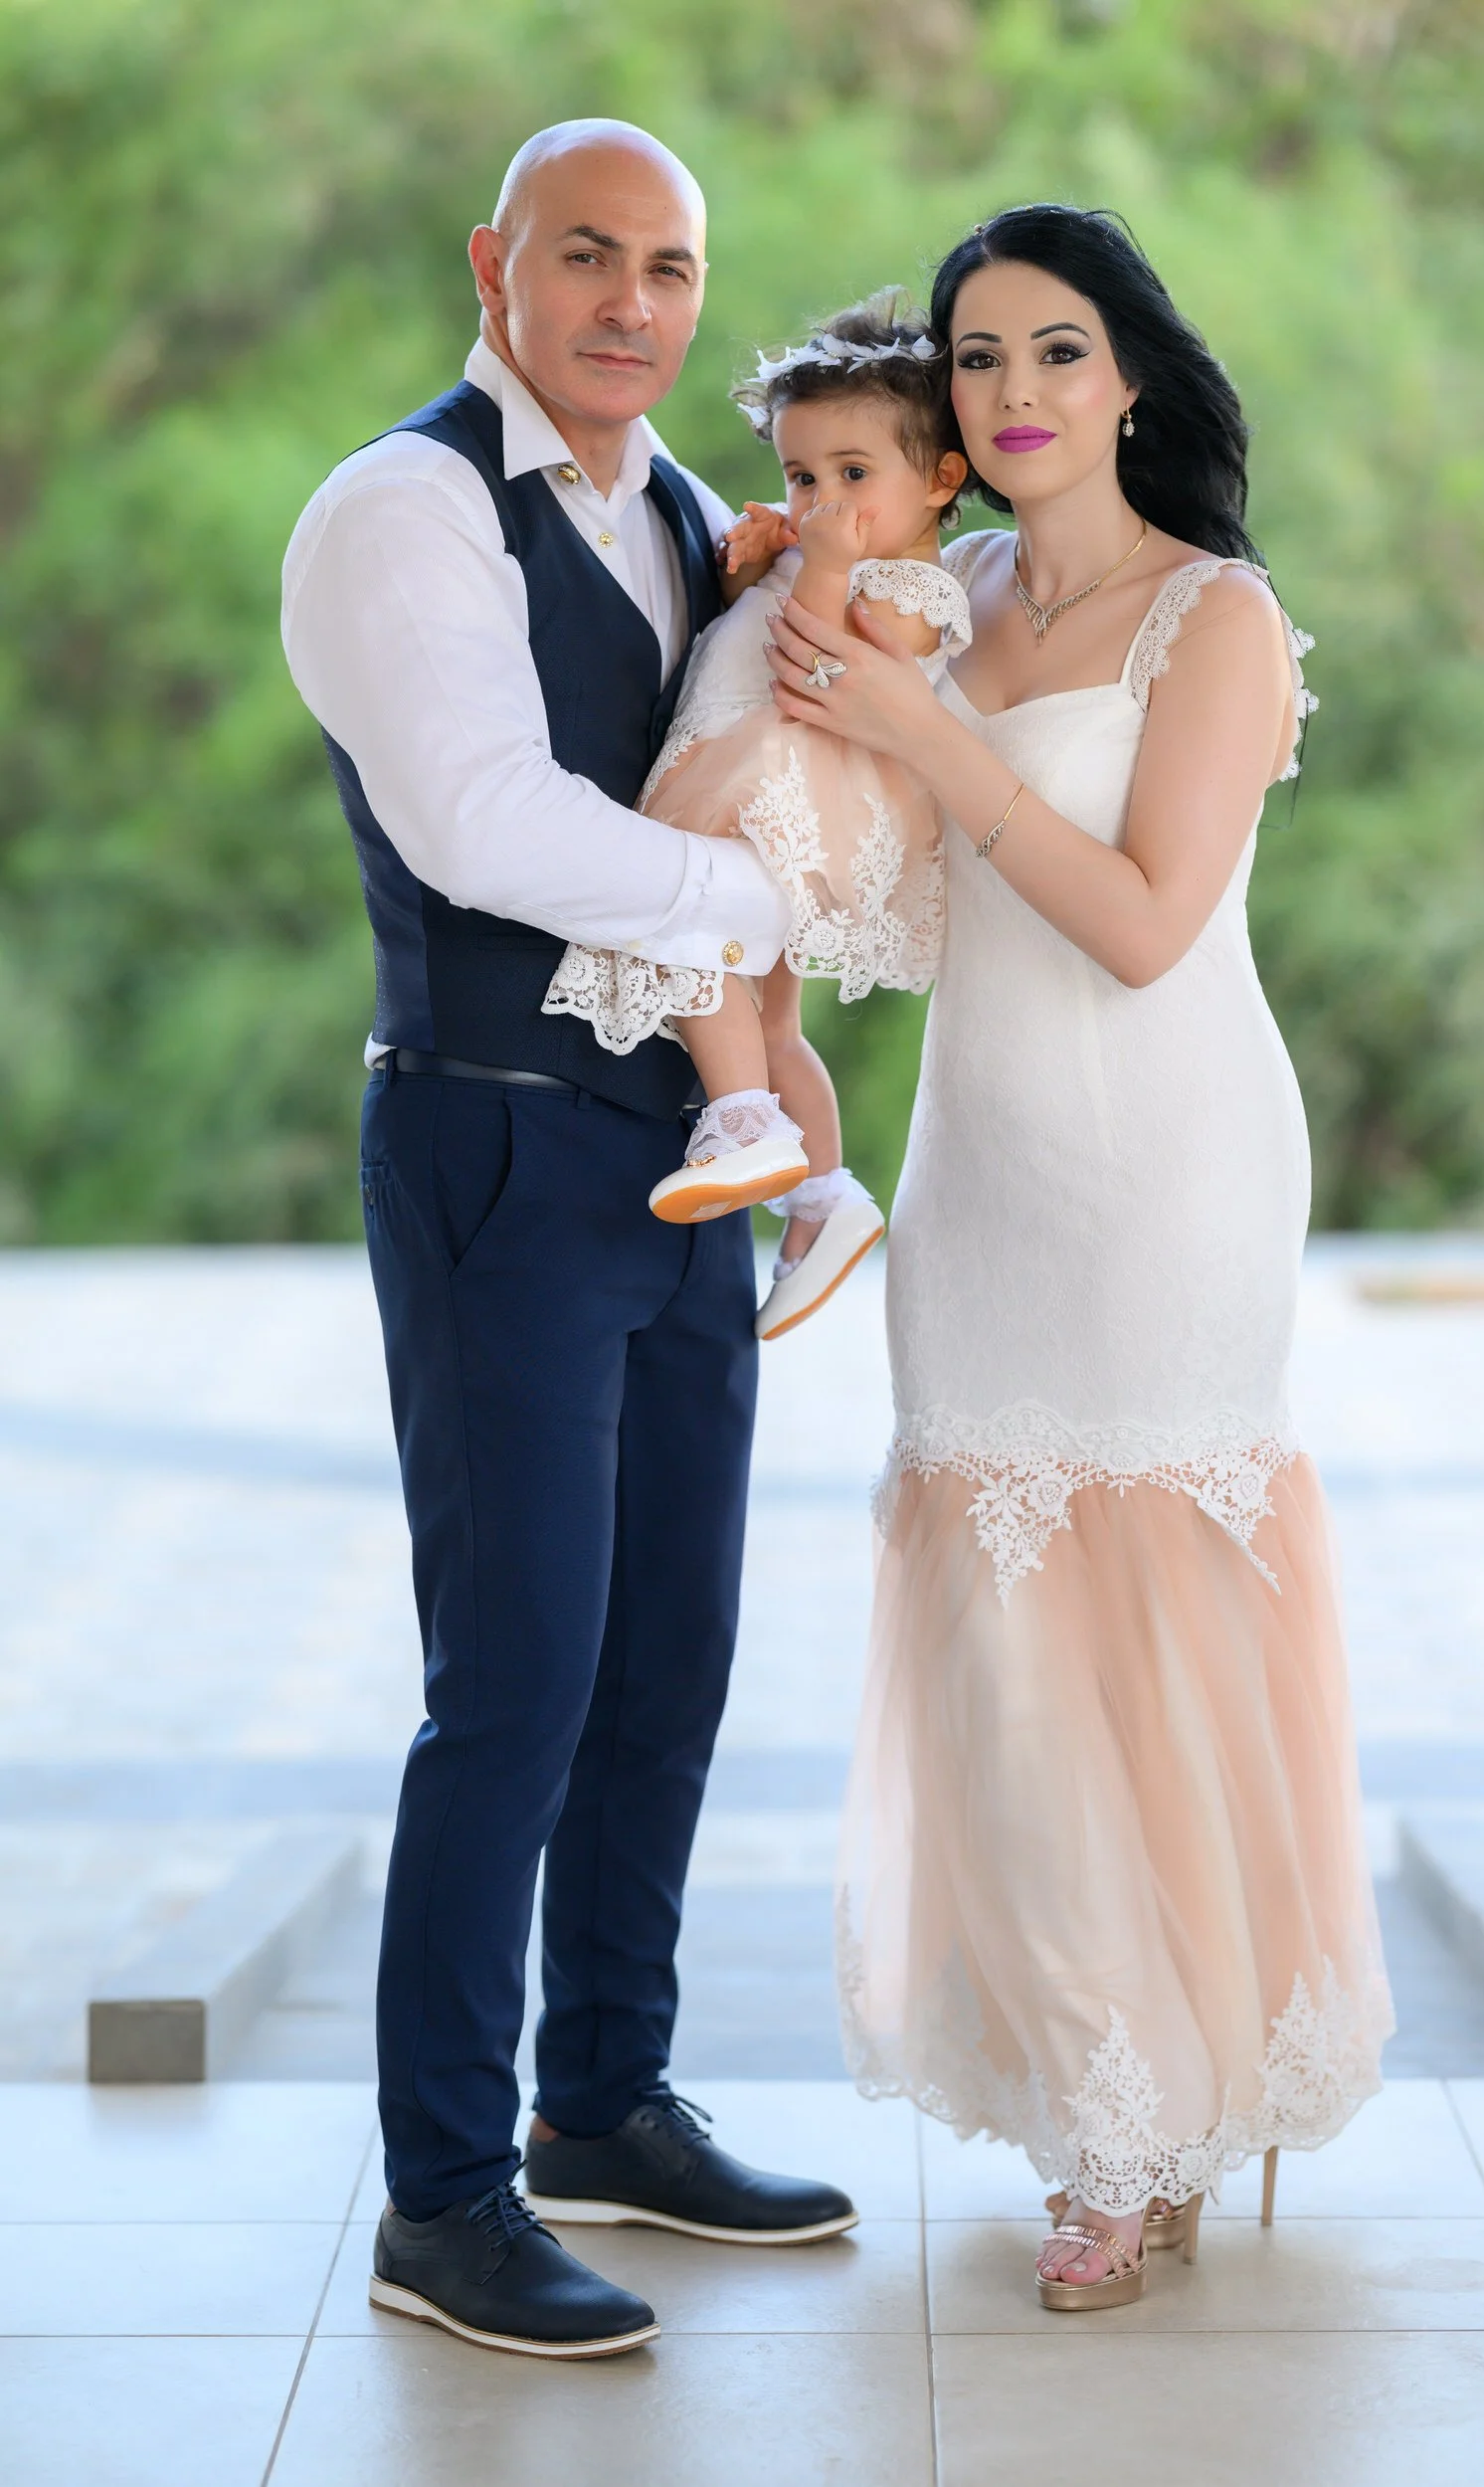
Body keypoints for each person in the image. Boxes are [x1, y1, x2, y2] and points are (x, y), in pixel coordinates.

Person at [761, 204, 1392, 2313]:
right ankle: (1093, 2097)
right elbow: (879, 895)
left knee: (1162, 1630)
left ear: (1125, 371)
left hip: (1169, 1168)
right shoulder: (933, 596)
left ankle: (1161, 2123)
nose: (1008, 394)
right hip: (979, 1166)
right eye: (970, 362)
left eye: (1049, 350)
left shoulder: (1209, 618)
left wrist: (929, 741)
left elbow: (1136, 923)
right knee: (1003, 1649)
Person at [280, 119, 856, 2363]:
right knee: (509, 1685)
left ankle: (604, 2096)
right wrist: (765, 909)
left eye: (672, 267)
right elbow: (483, 821)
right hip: (498, 1149)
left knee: (665, 1665)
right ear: (494, 264)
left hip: (679, 1170)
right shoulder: (399, 509)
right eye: (588, 255)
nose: (633, 300)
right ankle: (445, 2191)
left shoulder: (695, 518)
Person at [545, 288, 971, 1338]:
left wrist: (813, 568)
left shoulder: (917, 591)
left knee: (676, 915)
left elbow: (813, 670)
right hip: (755, 789)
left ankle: (741, 1126)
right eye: (801, 474)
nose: (822, 498)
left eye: (854, 475)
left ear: (942, 480)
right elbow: (760, 622)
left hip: (776, 797)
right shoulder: (820, 554)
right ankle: (822, 1201)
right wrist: (752, 570)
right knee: (770, 1017)